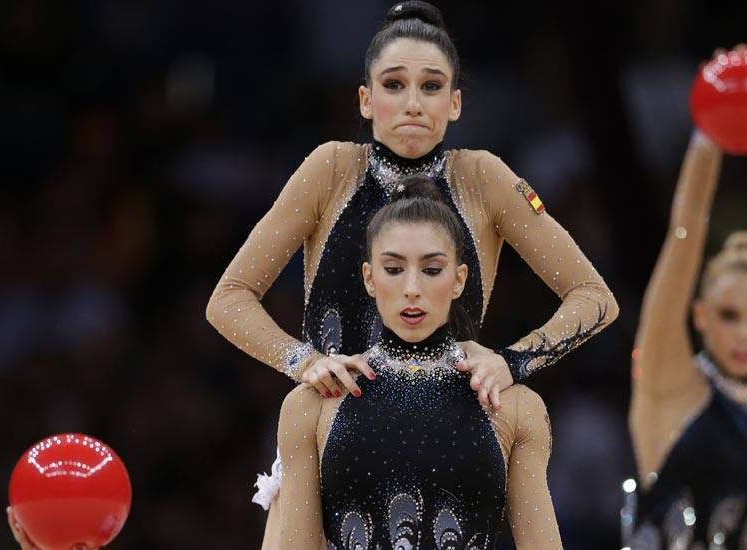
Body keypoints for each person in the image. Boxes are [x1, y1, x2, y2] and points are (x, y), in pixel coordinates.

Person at [204, 0, 617, 532]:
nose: (413, 103)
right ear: (366, 99)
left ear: (456, 103)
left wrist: (512, 362)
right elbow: (230, 296)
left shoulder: (483, 179)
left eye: (431, 86)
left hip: (452, 434)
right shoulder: (331, 169)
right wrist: (302, 361)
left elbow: (594, 296)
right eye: (394, 85)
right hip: (332, 440)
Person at [276, 175, 562, 549]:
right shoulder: (313, 405)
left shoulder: (515, 407)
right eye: (394, 269)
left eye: (431, 270)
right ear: (369, 278)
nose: (412, 288)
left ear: (459, 280)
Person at [623, 127, 747, 547]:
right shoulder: (670, 385)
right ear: (699, 315)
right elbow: (683, 240)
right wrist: (710, 137)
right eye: (728, 314)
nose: (743, 333)